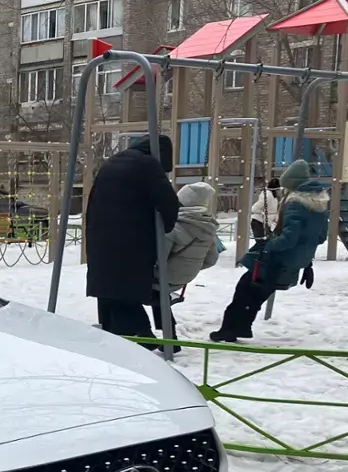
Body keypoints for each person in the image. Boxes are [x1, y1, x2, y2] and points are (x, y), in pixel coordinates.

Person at [210, 160, 329, 343]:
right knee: (257, 292)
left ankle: (230, 329)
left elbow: (289, 238)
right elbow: (321, 237)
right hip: (295, 261)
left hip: (279, 259)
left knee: (245, 289)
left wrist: (269, 247)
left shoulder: (295, 204)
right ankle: (239, 328)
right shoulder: (319, 205)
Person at [85, 135, 180, 338]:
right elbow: (168, 202)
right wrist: (166, 226)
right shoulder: (147, 164)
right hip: (131, 240)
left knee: (109, 291)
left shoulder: (112, 162)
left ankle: (114, 336)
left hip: (100, 236)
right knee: (126, 292)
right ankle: (141, 337)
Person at [152, 182, 222, 336]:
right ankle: (169, 336)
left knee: (129, 292)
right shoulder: (208, 228)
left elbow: (158, 259)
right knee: (159, 296)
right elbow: (211, 259)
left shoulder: (174, 227)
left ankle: (144, 335)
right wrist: (190, 266)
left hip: (164, 277)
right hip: (185, 278)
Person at [250, 177, 282, 242]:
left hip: (266, 224)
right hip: (259, 222)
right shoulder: (267, 196)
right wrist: (263, 213)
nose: (280, 192)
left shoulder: (275, 198)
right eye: (279, 189)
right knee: (262, 244)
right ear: (276, 189)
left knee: (267, 243)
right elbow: (254, 209)